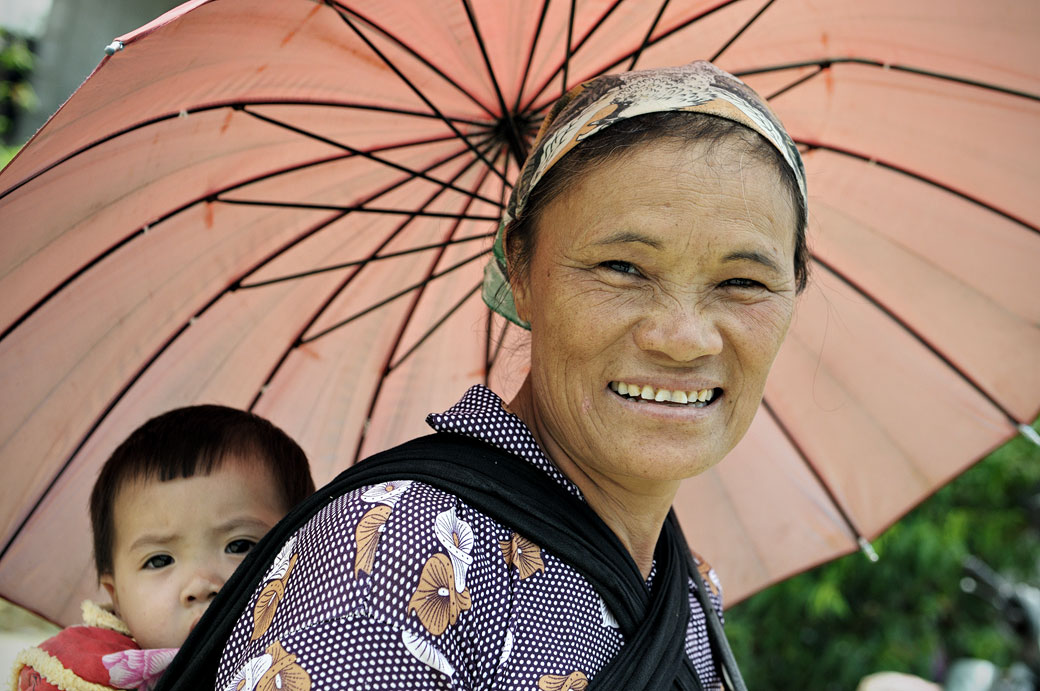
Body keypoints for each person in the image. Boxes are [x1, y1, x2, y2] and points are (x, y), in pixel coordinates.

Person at [163, 60, 809, 691]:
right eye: (622, 267)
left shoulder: (687, 586)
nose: (683, 337)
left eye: (742, 281)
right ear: (519, 270)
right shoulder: (395, 560)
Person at [10, 405, 315, 691]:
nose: (200, 586)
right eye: (159, 560)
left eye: (239, 545)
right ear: (117, 598)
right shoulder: (82, 674)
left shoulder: (330, 654)